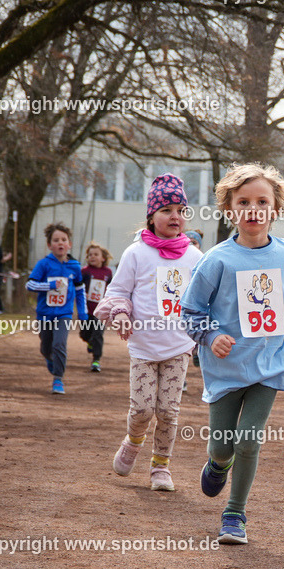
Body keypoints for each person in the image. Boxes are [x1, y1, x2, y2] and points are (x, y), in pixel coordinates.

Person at [181, 164, 284, 544]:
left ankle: (234, 514)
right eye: (244, 202)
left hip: (270, 364)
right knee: (224, 444)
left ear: (275, 209)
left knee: (249, 440)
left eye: (262, 201)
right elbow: (190, 310)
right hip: (226, 367)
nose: (253, 209)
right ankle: (217, 463)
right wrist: (210, 335)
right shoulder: (216, 259)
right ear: (229, 209)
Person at [95, 175, 203, 491]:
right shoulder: (136, 253)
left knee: (168, 410)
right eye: (167, 209)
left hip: (178, 345)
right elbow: (117, 292)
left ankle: (160, 468)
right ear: (151, 216)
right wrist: (121, 313)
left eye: (181, 210)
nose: (175, 216)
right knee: (143, 408)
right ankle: (133, 441)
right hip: (143, 346)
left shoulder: (195, 257)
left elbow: (206, 298)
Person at [25, 222, 87, 395]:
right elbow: (29, 284)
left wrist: (82, 313)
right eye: (56, 240)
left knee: (59, 343)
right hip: (45, 313)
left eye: (63, 240)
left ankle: (58, 379)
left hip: (64, 314)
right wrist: (49, 285)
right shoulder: (44, 264)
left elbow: (80, 290)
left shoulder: (74, 266)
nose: (60, 243)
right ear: (49, 245)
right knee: (46, 347)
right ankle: (50, 359)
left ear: (69, 244)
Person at [80, 242, 113, 372]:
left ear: (103, 258)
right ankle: (89, 341)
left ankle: (96, 360)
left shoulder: (108, 272)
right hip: (87, 310)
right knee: (85, 334)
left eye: (95, 254)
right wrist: (84, 293)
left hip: (101, 311)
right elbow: (78, 287)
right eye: (90, 255)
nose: (92, 257)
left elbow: (112, 288)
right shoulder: (85, 271)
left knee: (98, 334)